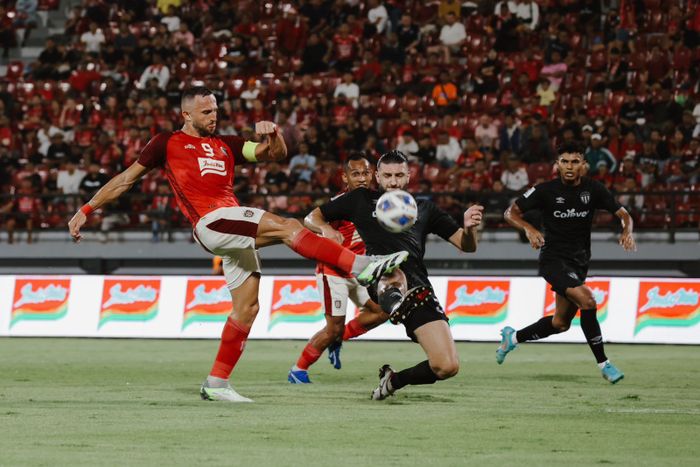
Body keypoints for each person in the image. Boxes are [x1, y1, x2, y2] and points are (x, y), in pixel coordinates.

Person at [68, 87, 408, 403]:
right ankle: (363, 267)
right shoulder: (165, 143)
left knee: (247, 308)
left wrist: (272, 134)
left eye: (215, 110)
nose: (213, 117)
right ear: (186, 114)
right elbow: (125, 180)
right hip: (211, 221)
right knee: (288, 226)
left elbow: (272, 154)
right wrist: (86, 209)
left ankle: (216, 383)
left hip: (234, 227)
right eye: (205, 112)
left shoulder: (226, 144)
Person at [305, 150, 483, 400]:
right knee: (391, 273)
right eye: (387, 175)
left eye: (399, 175)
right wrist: (324, 229)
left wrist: (470, 229)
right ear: (377, 176)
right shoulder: (361, 200)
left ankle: (394, 380)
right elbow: (311, 217)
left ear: (408, 176)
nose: (393, 181)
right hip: (381, 277)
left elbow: (466, 246)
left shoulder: (424, 209)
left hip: (418, 289)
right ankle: (385, 287)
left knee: (447, 366)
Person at [498, 143, 636, 384]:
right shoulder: (544, 190)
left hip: (579, 262)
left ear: (583, 165)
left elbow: (623, 214)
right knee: (588, 301)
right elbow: (510, 213)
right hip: (553, 260)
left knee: (560, 323)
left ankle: (513, 338)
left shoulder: (594, 189)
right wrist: (529, 228)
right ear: (557, 165)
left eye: (575, 162)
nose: (569, 166)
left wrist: (627, 231)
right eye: (565, 161)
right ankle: (605, 364)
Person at [288, 154, 390, 383]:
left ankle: (338, 339)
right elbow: (310, 219)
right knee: (332, 328)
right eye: (355, 174)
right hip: (333, 271)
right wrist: (325, 229)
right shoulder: (341, 202)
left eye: (365, 173)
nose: (362, 178)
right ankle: (298, 369)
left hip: (360, 271)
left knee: (382, 311)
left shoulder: (379, 202)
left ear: (373, 174)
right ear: (345, 177)